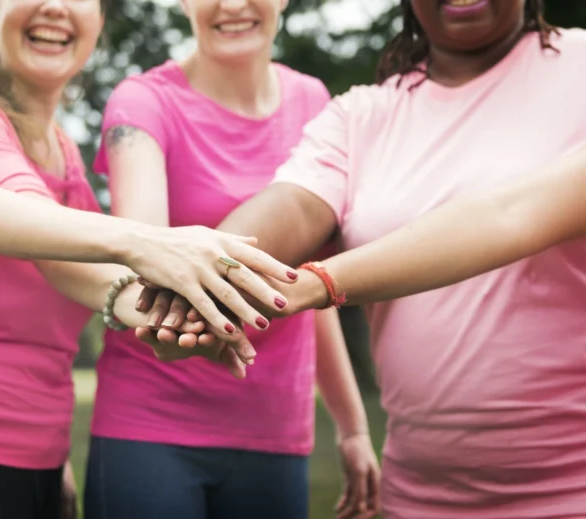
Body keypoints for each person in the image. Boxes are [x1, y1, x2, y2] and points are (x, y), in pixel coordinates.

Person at [0, 0, 296, 517]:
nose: (56, 6)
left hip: (34, 452)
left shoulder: (64, 147)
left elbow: (86, 278)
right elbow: (23, 228)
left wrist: (173, 315)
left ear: (100, 21)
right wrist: (151, 245)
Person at [140, 1, 586, 517]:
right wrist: (195, 286)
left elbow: (511, 215)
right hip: (417, 493)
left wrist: (317, 283)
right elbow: (293, 205)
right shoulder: (363, 113)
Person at [84, 0, 380, 517]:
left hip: (275, 429)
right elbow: (145, 253)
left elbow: (305, 283)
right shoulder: (143, 102)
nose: (233, 5)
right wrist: (182, 329)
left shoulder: (312, 100)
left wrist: (352, 426)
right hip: (150, 423)